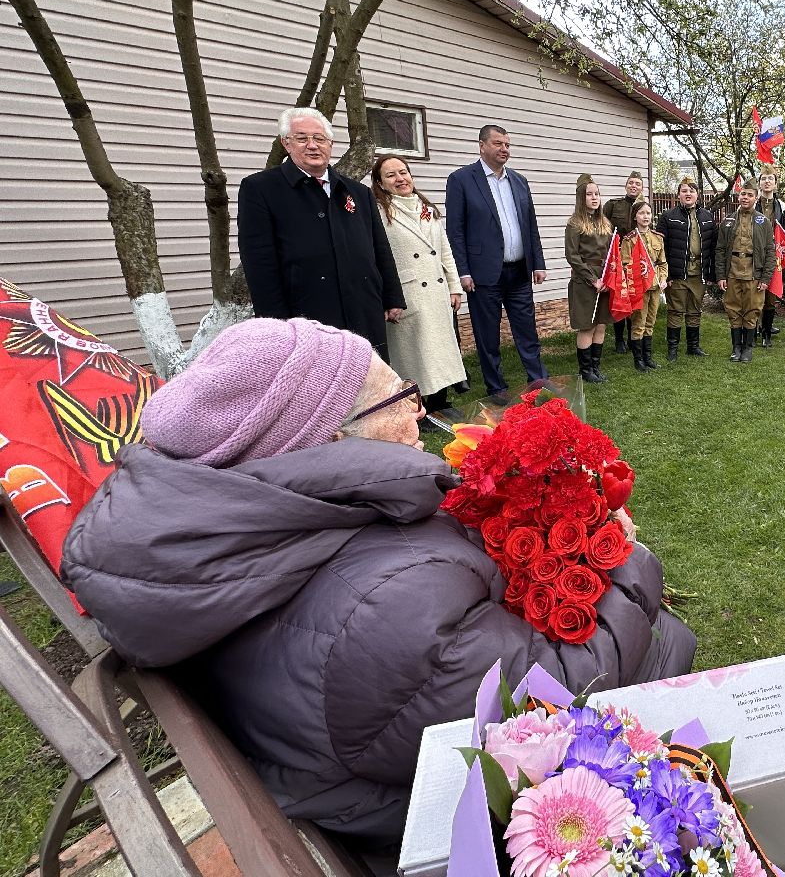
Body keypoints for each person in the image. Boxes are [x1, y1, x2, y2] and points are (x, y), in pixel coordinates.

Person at [60, 317, 696, 843]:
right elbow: (563, 698)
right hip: (452, 815)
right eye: (402, 399)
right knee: (683, 660)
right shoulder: (383, 601)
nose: (420, 415)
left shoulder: (235, 536)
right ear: (332, 440)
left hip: (351, 767)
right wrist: (622, 557)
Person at [238, 108, 404, 356]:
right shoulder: (260, 189)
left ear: (330, 144)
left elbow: (379, 248)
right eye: (302, 138)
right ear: (286, 143)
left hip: (364, 308)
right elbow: (259, 263)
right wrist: (277, 324)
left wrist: (392, 296)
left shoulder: (357, 192)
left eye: (319, 139)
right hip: (306, 315)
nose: (312, 146)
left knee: (372, 385)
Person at [445, 125, 548, 397]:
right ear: (482, 145)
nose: (504, 149)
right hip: (483, 275)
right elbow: (455, 231)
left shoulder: (519, 180)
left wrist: (538, 262)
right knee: (487, 336)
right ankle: (496, 388)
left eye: (507, 145)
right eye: (498, 143)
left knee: (527, 331)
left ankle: (538, 381)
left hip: (519, 272)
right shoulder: (462, 180)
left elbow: (530, 225)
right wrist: (462, 272)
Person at [370, 156, 467, 416]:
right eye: (391, 175)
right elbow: (377, 257)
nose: (400, 178)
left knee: (438, 350)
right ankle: (416, 408)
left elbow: (444, 249)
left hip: (436, 290)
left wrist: (454, 286)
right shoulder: (378, 211)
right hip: (407, 292)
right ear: (380, 182)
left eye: (404, 172)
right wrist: (386, 298)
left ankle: (441, 402)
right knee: (413, 353)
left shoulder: (426, 207)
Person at [715, 180, 776, 363]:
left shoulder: (763, 222)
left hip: (753, 273)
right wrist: (720, 275)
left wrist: (765, 277)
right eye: (743, 194)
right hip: (732, 271)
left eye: (750, 195)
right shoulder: (728, 221)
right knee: (733, 309)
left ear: (756, 198)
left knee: (752, 310)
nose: (745, 198)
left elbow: (770, 251)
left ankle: (748, 348)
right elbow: (719, 250)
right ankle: (736, 348)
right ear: (738, 196)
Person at [660, 177, 717, 360]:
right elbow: (661, 248)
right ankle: (672, 349)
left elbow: (714, 247)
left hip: (698, 273)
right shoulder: (668, 217)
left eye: (692, 191)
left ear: (697, 195)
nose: (688, 194)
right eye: (684, 191)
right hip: (677, 274)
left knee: (695, 310)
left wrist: (712, 274)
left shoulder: (707, 217)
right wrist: (665, 274)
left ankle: (693, 346)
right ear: (679, 195)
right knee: (675, 311)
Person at [565, 175, 614, 384]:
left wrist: (610, 275)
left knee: (601, 325)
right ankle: (585, 371)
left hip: (605, 279)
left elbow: (611, 251)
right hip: (586, 281)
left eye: (597, 194)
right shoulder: (575, 224)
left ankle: (595, 366)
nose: (594, 198)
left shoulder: (604, 222)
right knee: (588, 325)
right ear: (581, 197)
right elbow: (572, 256)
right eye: (589, 194)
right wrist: (592, 280)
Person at [602, 171, 646, 356]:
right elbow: (602, 229)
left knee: (633, 297)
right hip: (617, 258)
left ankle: (632, 337)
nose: (633, 186)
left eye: (637, 183)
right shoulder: (613, 205)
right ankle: (619, 339)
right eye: (631, 183)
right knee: (620, 297)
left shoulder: (643, 207)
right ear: (626, 186)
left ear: (641, 187)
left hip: (635, 259)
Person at [623, 201, 667, 372]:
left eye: (648, 213)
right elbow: (625, 265)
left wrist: (663, 278)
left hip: (655, 286)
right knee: (638, 323)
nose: (646, 216)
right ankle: (638, 359)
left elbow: (662, 262)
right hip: (639, 287)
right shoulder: (630, 240)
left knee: (650, 322)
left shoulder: (658, 237)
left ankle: (648, 357)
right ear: (635, 216)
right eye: (642, 213)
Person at [755, 171, 785, 346]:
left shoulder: (783, 208)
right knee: (754, 296)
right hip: (755, 257)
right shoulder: (752, 205)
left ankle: (766, 333)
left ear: (776, 183)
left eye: (770, 178)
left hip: (774, 257)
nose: (767, 181)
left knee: (770, 297)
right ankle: (752, 330)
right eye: (763, 178)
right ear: (759, 183)